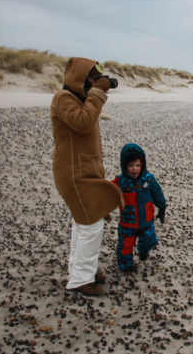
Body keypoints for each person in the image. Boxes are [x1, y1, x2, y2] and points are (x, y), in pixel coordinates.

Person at [50, 57, 122, 296]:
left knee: (84, 223)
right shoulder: (63, 99)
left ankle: (83, 271)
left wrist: (93, 92)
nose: (94, 83)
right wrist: (98, 92)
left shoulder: (77, 99)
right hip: (74, 174)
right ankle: (80, 279)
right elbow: (82, 123)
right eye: (91, 78)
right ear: (79, 79)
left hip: (83, 172)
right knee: (91, 225)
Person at [112, 143, 167, 273]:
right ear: (124, 166)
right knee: (125, 246)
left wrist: (162, 208)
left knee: (150, 240)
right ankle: (126, 265)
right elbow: (107, 192)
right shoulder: (120, 182)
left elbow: (157, 194)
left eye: (137, 165)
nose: (134, 169)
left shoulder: (148, 179)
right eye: (130, 166)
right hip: (127, 223)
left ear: (142, 165)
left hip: (146, 221)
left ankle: (143, 250)